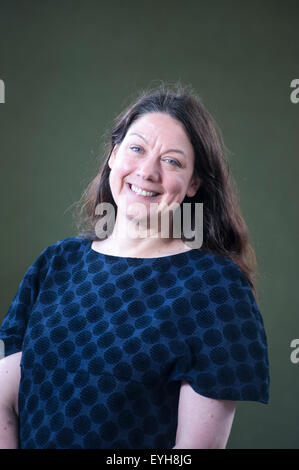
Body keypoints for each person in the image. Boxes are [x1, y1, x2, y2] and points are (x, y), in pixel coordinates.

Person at [0, 83, 270, 449]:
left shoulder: (217, 290)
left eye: (171, 160)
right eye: (137, 148)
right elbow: (4, 402)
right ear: (114, 155)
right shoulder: (56, 263)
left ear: (193, 184)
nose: (147, 171)